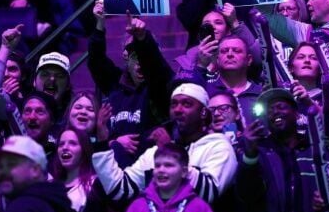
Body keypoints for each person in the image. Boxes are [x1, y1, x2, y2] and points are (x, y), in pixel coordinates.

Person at [92, 82, 237, 205]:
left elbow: (208, 192)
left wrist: (170, 154)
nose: (178, 110)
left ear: (203, 112)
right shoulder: (156, 151)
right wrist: (102, 143)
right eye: (174, 104)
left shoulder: (219, 146)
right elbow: (120, 189)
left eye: (186, 104)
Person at [236, 88, 329, 212]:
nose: (275, 112)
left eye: (281, 107)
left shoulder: (317, 152)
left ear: (296, 114)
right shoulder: (262, 153)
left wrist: (327, 204)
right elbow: (246, 194)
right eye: (269, 110)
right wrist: (250, 155)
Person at [90, 2, 174, 167]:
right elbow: (96, 61)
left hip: (152, 169)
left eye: (142, 55)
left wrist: (143, 39)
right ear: (125, 56)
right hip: (116, 171)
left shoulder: (159, 87)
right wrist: (99, 25)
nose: (140, 63)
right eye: (135, 56)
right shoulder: (115, 84)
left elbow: (156, 67)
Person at [120, 143, 215, 212]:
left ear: (184, 172)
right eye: (157, 166)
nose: (161, 170)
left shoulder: (199, 208)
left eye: (168, 165)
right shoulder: (137, 207)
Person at [0, 135, 72, 212]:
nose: (3, 171)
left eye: (11, 164)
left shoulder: (22, 211)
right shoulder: (49, 204)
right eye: (0, 166)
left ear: (35, 170)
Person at [52, 128, 117, 212]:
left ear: (84, 150)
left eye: (72, 143)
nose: (65, 148)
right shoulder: (51, 186)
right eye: (61, 144)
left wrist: (62, 206)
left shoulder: (95, 184)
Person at [197, 35, 263, 124]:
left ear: (249, 60)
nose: (230, 54)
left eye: (237, 51)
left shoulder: (261, 94)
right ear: (217, 60)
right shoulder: (205, 92)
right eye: (224, 51)